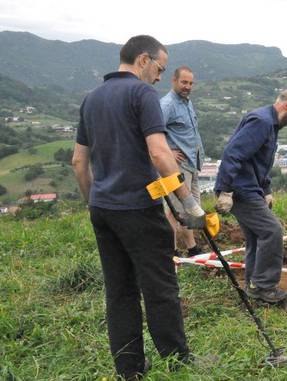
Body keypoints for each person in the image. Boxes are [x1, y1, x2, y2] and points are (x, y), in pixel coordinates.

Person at [71, 35, 204, 380]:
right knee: (159, 287)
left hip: (103, 208)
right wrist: (187, 201)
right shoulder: (141, 94)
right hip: (136, 207)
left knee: (119, 291)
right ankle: (177, 361)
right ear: (143, 60)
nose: (160, 77)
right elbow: (160, 153)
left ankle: (129, 369)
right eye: (160, 68)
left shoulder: (91, 99)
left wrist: (93, 202)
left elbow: (78, 161)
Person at [214, 89, 287, 304]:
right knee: (272, 231)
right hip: (241, 188)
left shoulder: (270, 124)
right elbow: (233, 153)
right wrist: (226, 190)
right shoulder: (262, 122)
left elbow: (258, 161)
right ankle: (265, 288)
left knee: (257, 236)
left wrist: (266, 190)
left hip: (250, 186)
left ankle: (254, 285)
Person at [160, 66, 205, 257]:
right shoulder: (167, 104)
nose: (187, 86)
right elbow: (151, 133)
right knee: (174, 210)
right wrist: (168, 152)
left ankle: (192, 247)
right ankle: (171, 251)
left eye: (190, 83)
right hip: (176, 167)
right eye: (184, 82)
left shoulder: (187, 103)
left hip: (191, 164)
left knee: (192, 208)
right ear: (174, 81)